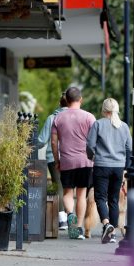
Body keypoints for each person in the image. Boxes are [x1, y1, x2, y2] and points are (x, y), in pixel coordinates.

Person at [51, 87, 95, 240]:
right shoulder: (89, 117)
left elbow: (53, 142)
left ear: (67, 100)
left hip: (67, 161)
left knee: (68, 193)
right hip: (85, 161)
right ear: (80, 99)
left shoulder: (58, 118)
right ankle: (78, 229)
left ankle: (70, 214)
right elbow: (95, 142)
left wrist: (57, 160)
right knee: (81, 194)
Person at [86, 98, 132, 244]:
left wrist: (92, 157)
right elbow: (129, 148)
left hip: (101, 165)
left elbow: (90, 145)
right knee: (114, 200)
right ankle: (112, 235)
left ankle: (107, 224)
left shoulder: (98, 124)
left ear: (104, 110)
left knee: (100, 197)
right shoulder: (124, 126)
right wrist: (126, 165)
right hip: (118, 167)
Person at [37, 93, 68, 230]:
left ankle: (62, 220)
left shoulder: (52, 118)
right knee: (70, 188)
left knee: (59, 187)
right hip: (73, 157)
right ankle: (73, 220)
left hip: (52, 158)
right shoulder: (78, 117)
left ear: (60, 103)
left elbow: (41, 140)